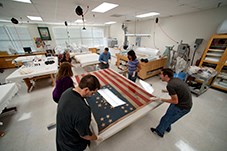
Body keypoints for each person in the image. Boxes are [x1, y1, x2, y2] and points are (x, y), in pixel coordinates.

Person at [56, 74, 101, 151]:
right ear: (86, 90)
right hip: (71, 146)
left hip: (61, 138)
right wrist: (97, 137)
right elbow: (85, 135)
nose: (92, 96)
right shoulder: (83, 110)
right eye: (92, 93)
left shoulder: (67, 92)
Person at [150, 68, 192, 137]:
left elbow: (175, 101)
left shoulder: (170, 85)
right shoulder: (176, 79)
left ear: (166, 76)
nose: (160, 75)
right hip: (184, 102)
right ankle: (167, 128)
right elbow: (178, 89)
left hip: (182, 107)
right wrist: (167, 91)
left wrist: (160, 99)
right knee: (169, 115)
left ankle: (159, 132)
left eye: (161, 74)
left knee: (166, 119)